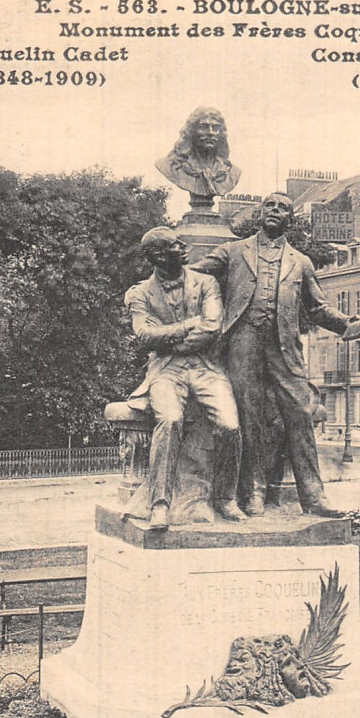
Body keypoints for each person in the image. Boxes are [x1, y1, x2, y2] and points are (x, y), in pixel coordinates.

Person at [192, 192, 360, 517]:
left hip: (285, 347)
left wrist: (347, 325)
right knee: (248, 417)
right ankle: (252, 493)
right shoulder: (233, 251)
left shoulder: (301, 262)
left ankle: (313, 497)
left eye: (283, 208)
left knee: (301, 413)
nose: (275, 211)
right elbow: (194, 272)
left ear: (290, 219)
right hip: (242, 343)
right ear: (260, 213)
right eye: (270, 205)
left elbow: (318, 307)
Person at [124, 227, 244, 530]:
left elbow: (213, 326)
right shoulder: (140, 293)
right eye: (176, 245)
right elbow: (143, 335)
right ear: (158, 256)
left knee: (230, 425)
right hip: (166, 371)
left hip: (204, 367)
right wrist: (188, 325)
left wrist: (174, 340)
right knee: (170, 420)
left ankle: (225, 497)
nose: (184, 247)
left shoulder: (205, 283)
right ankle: (160, 504)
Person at [155, 108, 241, 205]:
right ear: (191, 131)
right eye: (203, 127)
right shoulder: (170, 165)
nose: (210, 132)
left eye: (216, 128)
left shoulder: (232, 172)